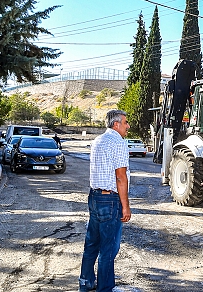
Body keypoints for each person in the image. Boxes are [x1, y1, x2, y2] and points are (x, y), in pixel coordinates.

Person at [79, 110, 131, 292]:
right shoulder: (119, 143)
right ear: (116, 124)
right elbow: (121, 177)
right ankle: (105, 288)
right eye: (125, 123)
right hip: (110, 200)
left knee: (91, 244)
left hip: (94, 197)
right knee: (108, 249)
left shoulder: (98, 140)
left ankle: (85, 283)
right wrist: (125, 206)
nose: (128, 126)